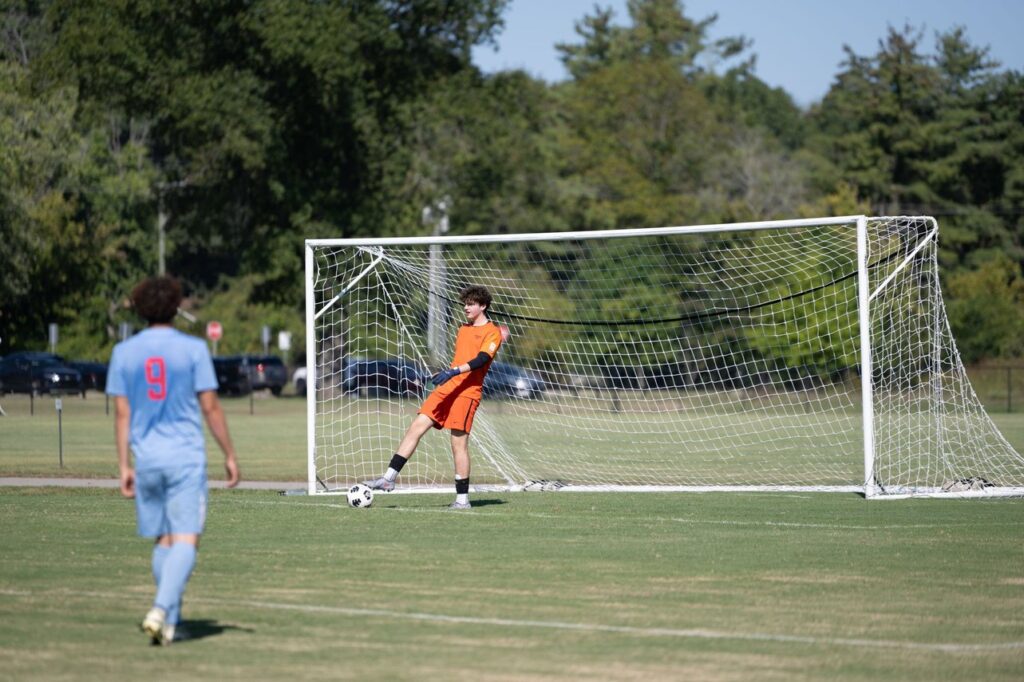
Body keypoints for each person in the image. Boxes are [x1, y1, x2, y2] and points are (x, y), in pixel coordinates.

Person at [106, 276, 240, 645]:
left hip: (146, 459)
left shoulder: (124, 352)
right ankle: (161, 609)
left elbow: (121, 414)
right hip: (184, 459)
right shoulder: (193, 349)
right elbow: (210, 406)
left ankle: (170, 625)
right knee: (186, 541)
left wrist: (124, 466)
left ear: (140, 309)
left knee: (164, 541)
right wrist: (229, 454)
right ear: (176, 307)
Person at [365, 285, 502, 509]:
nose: (466, 307)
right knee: (416, 426)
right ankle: (388, 478)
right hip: (448, 387)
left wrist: (454, 371)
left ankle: (462, 500)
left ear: (483, 306)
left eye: (471, 304)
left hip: (467, 393)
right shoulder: (462, 329)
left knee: (458, 445)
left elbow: (481, 359)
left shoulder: (492, 332)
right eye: (465, 303)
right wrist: (448, 373)